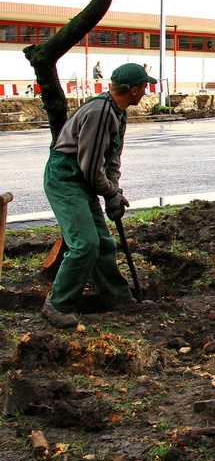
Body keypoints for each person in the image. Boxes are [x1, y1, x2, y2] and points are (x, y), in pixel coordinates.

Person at [41, 63, 157, 329]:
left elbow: (112, 159)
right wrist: (109, 194)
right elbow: (91, 168)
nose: (147, 92)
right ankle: (57, 305)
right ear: (134, 90)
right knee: (85, 244)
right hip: (66, 179)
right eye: (145, 87)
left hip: (82, 179)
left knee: (103, 244)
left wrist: (114, 191)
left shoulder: (119, 112)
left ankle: (118, 299)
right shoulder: (100, 112)